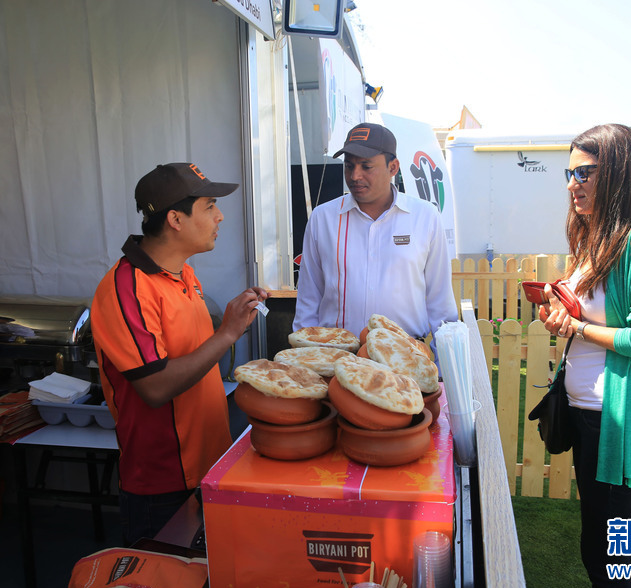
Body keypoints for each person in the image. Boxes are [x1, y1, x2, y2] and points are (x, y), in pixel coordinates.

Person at [538, 124, 631, 588]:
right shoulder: (596, 237)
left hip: (617, 422)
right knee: (595, 548)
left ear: (618, 173)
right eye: (569, 171)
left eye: (584, 172)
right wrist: (561, 312)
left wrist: (577, 328)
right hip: (587, 416)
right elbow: (598, 313)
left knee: (608, 557)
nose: (571, 183)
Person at [91, 162, 268, 545]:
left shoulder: (184, 273)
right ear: (175, 218)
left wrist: (232, 321)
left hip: (211, 462)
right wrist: (228, 332)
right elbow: (154, 387)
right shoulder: (126, 288)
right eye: (208, 206)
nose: (220, 216)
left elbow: (194, 354)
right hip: (164, 484)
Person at [293, 122, 458, 349]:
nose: (354, 175)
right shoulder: (323, 218)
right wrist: (306, 358)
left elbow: (440, 303)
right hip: (337, 356)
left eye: (366, 166)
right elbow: (308, 300)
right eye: (349, 166)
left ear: (393, 167)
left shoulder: (425, 217)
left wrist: (443, 370)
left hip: (405, 359)